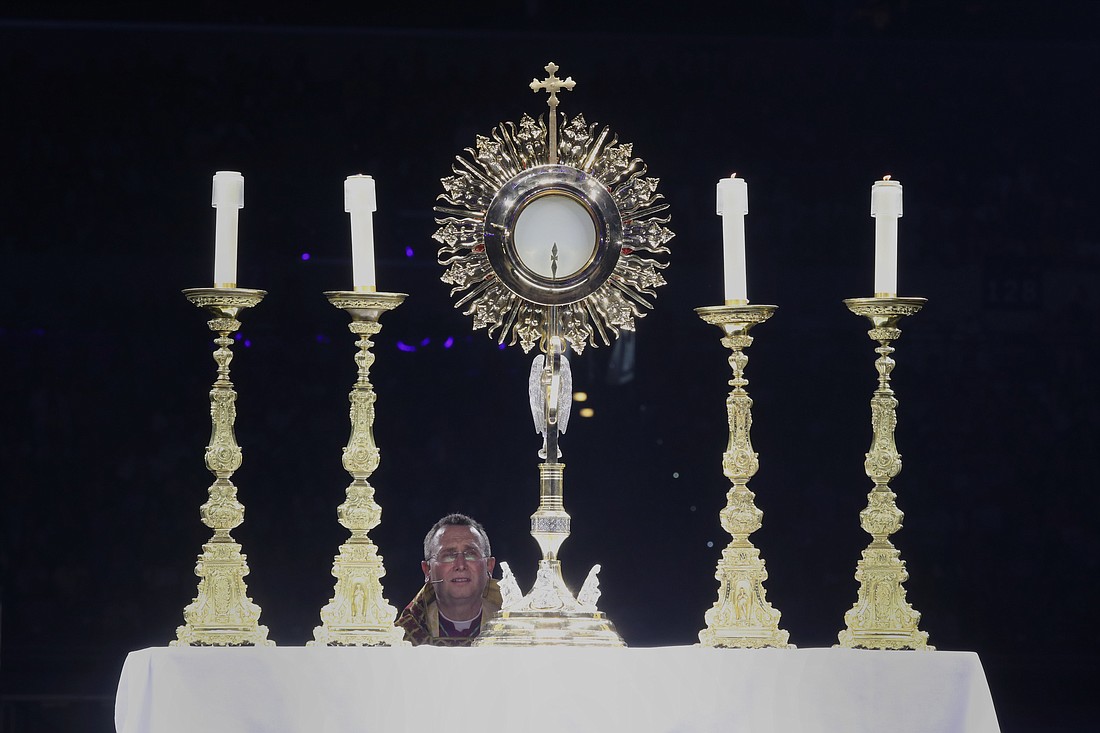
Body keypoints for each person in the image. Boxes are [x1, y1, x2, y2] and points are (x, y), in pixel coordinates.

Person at [395, 513, 502, 646]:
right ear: (427, 570)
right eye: (448, 556)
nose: (461, 565)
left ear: (489, 566)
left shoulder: (515, 626)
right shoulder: (402, 636)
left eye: (470, 554)